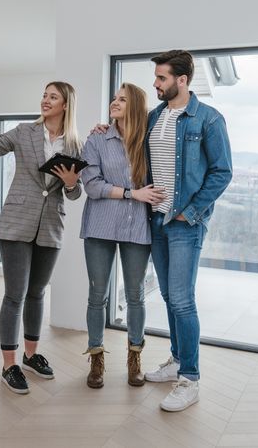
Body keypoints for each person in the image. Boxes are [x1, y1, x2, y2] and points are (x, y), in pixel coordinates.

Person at [0, 82, 83, 394]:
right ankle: (9, 364)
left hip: (51, 225)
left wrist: (69, 183)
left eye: (53, 97)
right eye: (44, 95)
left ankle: (31, 356)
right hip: (15, 223)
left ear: (66, 105)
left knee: (38, 293)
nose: (45, 100)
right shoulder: (23, 131)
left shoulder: (76, 144)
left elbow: (76, 192)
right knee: (15, 294)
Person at [141, 50, 233, 412]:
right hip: (156, 220)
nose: (156, 83)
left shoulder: (208, 119)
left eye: (161, 78)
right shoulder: (154, 116)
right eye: (156, 77)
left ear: (182, 80)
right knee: (167, 296)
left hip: (184, 224)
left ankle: (190, 379)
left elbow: (222, 172)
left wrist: (191, 212)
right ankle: (177, 360)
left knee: (182, 300)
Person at [80, 83, 165, 389]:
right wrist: (133, 193)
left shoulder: (148, 141)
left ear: (136, 106)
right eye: (114, 98)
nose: (114, 103)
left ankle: (134, 359)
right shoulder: (97, 138)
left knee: (135, 296)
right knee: (97, 296)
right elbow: (92, 185)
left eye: (122, 99)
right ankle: (97, 360)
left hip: (136, 228)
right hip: (100, 227)